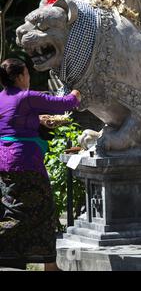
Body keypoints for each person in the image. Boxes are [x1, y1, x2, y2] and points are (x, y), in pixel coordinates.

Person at [0, 58, 81, 270]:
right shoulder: (26, 97)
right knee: (37, 211)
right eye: (26, 74)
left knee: (16, 209)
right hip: (24, 161)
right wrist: (77, 91)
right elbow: (66, 104)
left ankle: (49, 265)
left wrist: (38, 121)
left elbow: (14, 123)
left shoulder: (1, 98)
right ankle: (50, 266)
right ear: (19, 77)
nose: (28, 78)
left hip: (4, 162)